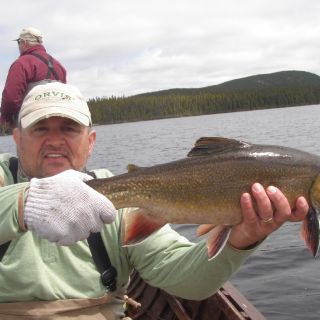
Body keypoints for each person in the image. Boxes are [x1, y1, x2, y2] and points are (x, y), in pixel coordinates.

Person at [0, 82, 309, 320]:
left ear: (90, 142)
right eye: (41, 128)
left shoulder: (122, 195)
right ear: (17, 138)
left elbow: (189, 282)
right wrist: (29, 202)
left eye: (69, 128)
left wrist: (240, 241)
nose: (54, 139)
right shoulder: (3, 178)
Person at [0, 27, 66, 128]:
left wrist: (6, 118)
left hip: (32, 125)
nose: (18, 46)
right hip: (59, 123)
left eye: (19, 42)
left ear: (24, 43)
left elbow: (11, 99)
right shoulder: (59, 66)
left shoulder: (21, 64)